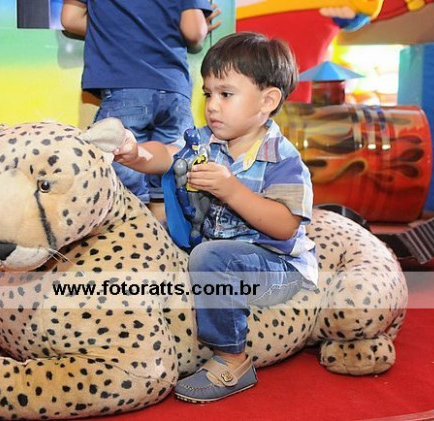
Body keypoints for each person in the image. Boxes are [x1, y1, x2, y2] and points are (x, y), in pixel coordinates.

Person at [113, 32, 318, 403]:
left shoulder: (283, 159)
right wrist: (137, 154)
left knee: (210, 257)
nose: (212, 106)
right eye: (208, 94)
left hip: (277, 267)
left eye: (226, 94)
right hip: (218, 254)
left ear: (268, 100)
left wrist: (232, 191)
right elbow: (169, 154)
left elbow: (286, 225)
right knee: (161, 240)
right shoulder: (205, 142)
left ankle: (232, 359)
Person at [61, 0, 220, 205]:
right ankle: (164, 223)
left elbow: (70, 18)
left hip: (123, 85)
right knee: (173, 177)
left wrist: (114, 28)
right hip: (174, 90)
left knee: (124, 184)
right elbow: (194, 31)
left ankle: (132, 218)